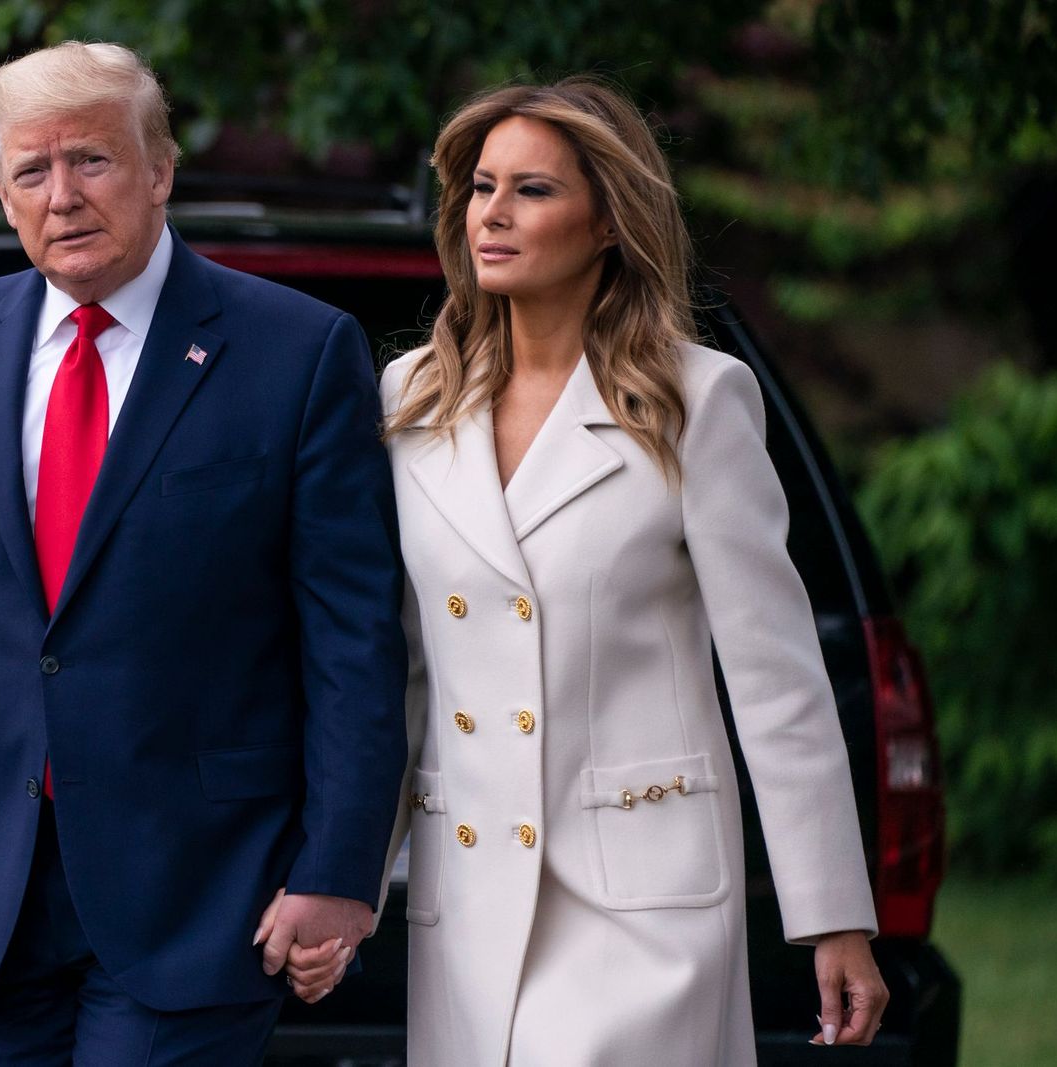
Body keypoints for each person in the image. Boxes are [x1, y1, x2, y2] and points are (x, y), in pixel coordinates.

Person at [0, 41, 407, 1066]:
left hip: (203, 888)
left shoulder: (296, 350)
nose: (62, 196)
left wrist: (342, 868)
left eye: (90, 160)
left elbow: (352, 642)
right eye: (31, 172)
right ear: (3, 197)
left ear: (160, 171)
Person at [294, 77, 889, 1063]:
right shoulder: (409, 397)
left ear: (609, 220)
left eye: (531, 190)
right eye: (482, 186)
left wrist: (833, 913)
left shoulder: (698, 399)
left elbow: (776, 679)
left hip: (643, 903)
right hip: (469, 894)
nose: (491, 212)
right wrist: (348, 876)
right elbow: (394, 668)